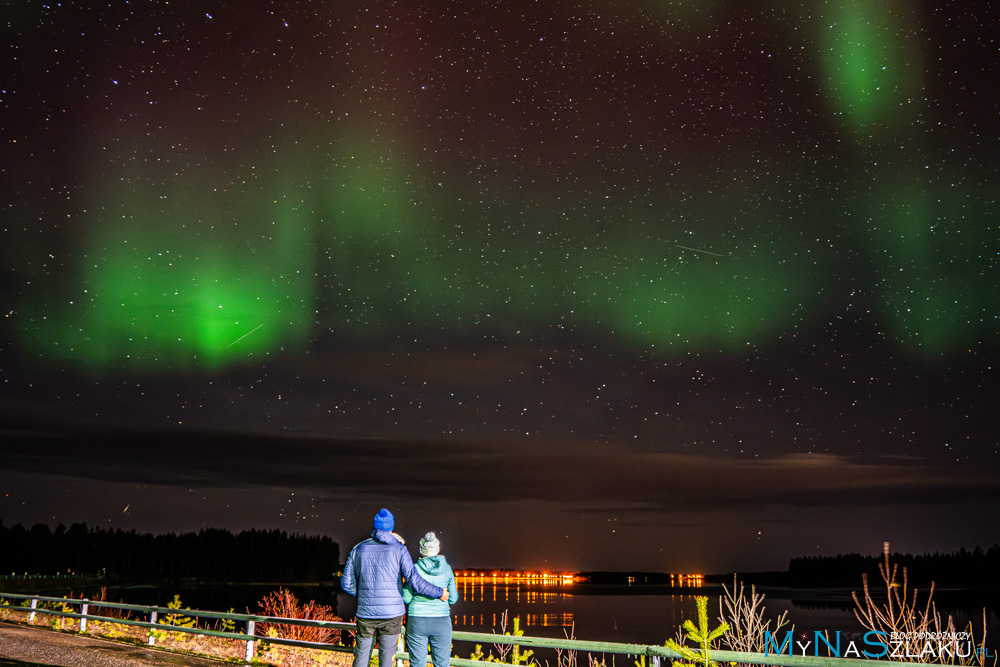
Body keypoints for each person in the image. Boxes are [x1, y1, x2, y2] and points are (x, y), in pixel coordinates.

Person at [342, 509, 449, 667]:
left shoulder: (358, 549)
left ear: (376, 527)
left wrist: (366, 595)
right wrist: (439, 592)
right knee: (387, 660)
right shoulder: (399, 549)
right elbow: (414, 580)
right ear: (391, 529)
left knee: (361, 657)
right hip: (392, 615)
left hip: (366, 614)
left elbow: (346, 583)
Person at [403, 532, 458, 667]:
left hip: (417, 620)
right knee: (442, 664)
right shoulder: (447, 569)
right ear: (437, 548)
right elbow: (453, 598)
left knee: (416, 664)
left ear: (421, 549)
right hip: (441, 620)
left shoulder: (414, 569)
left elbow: (406, 597)